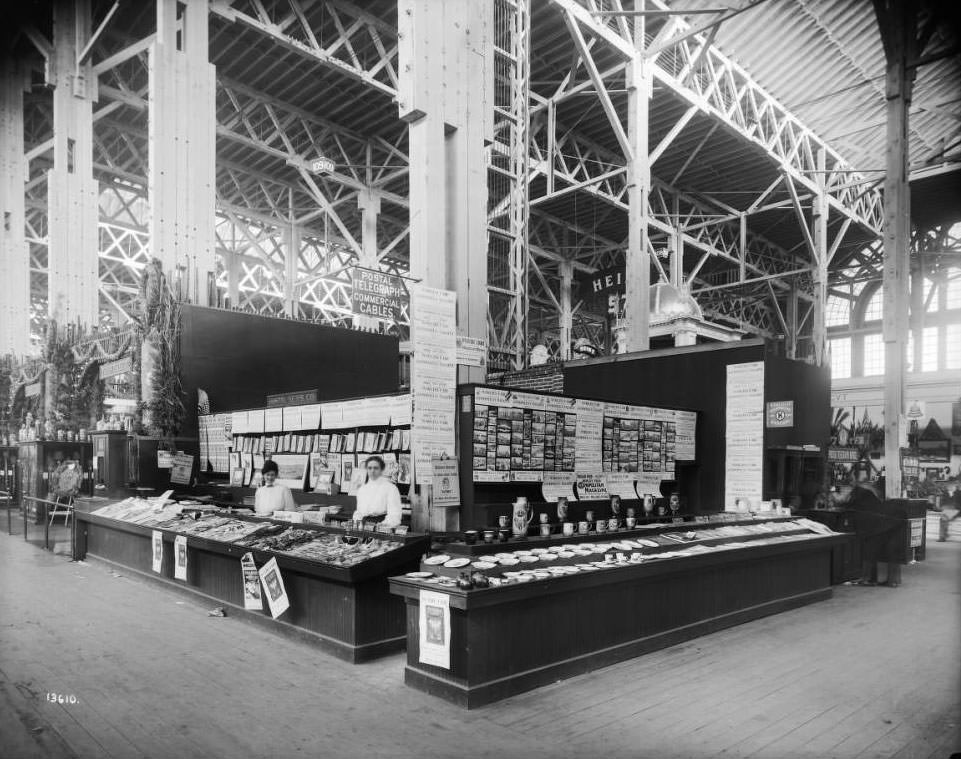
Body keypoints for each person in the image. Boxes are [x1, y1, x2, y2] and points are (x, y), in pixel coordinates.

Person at [353, 455, 403, 528]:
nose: (372, 471)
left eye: (375, 468)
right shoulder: (362, 489)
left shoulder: (391, 488)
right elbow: (359, 512)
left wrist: (384, 525)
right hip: (364, 525)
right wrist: (356, 523)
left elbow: (395, 514)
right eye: (369, 468)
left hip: (382, 525)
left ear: (382, 470)